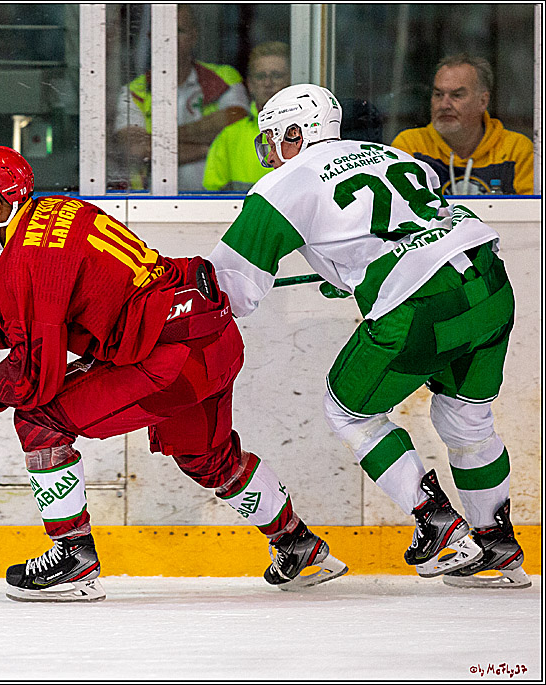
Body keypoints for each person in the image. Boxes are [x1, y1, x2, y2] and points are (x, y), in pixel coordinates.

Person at [0, 145, 347, 602]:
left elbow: (35, 379)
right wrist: (17, 324)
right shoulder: (65, 211)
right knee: (207, 457)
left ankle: (73, 556)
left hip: (168, 360)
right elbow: (94, 291)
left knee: (39, 419)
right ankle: (298, 544)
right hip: (212, 337)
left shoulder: (23, 263)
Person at [208, 84, 530, 589]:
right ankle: (496, 545)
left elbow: (234, 289)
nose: (271, 154)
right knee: (468, 420)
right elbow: (421, 226)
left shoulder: (285, 184)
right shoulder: (391, 154)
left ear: (297, 133)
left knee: (348, 409)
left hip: (421, 304)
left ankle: (439, 525)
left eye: (274, 140)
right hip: (489, 287)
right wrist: (352, 275)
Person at [113, 5, 250, 192]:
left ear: (194, 36)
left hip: (222, 198)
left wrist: (157, 140)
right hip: (149, 201)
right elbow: (137, 150)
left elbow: (236, 121)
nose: (171, 39)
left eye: (179, 30)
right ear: (151, 38)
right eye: (164, 31)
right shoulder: (133, 91)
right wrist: (209, 149)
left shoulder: (224, 77)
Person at [390, 54, 533, 195]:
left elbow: (532, 214)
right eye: (438, 95)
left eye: (456, 95)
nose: (444, 105)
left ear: (483, 101)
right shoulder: (410, 146)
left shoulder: (516, 150)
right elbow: (400, 210)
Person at [202, 41, 290, 193]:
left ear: (291, 80)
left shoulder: (309, 132)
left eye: (276, 75)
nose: (268, 83)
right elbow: (211, 199)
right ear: (250, 84)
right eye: (261, 76)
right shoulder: (229, 137)